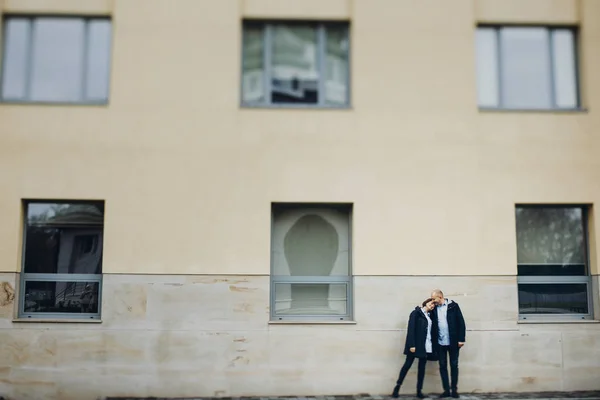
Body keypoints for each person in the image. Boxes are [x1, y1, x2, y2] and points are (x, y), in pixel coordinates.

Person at [392, 298, 438, 399]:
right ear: (425, 303)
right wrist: (411, 345)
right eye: (431, 303)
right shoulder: (415, 313)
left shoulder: (430, 315)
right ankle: (397, 387)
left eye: (434, 305)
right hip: (416, 345)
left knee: (422, 368)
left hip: (426, 345)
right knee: (407, 365)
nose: (433, 305)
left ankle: (419, 391)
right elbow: (411, 329)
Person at [430, 289, 466, 399]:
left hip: (453, 342)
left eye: (433, 298)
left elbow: (461, 322)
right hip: (440, 343)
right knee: (442, 366)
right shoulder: (434, 308)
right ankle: (446, 390)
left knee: (454, 365)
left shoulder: (453, 306)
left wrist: (461, 339)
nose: (432, 301)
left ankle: (454, 390)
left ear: (440, 297)